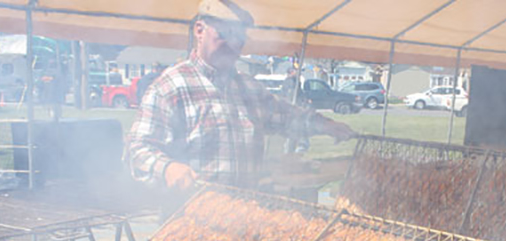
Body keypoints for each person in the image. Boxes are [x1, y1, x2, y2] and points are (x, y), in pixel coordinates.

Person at [128, 0, 354, 191]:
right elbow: (138, 149)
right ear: (199, 30)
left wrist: (325, 124)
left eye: (240, 38)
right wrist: (168, 168)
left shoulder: (249, 88)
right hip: (190, 217)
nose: (234, 44)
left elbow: (289, 117)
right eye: (226, 34)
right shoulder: (170, 86)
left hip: (245, 216)